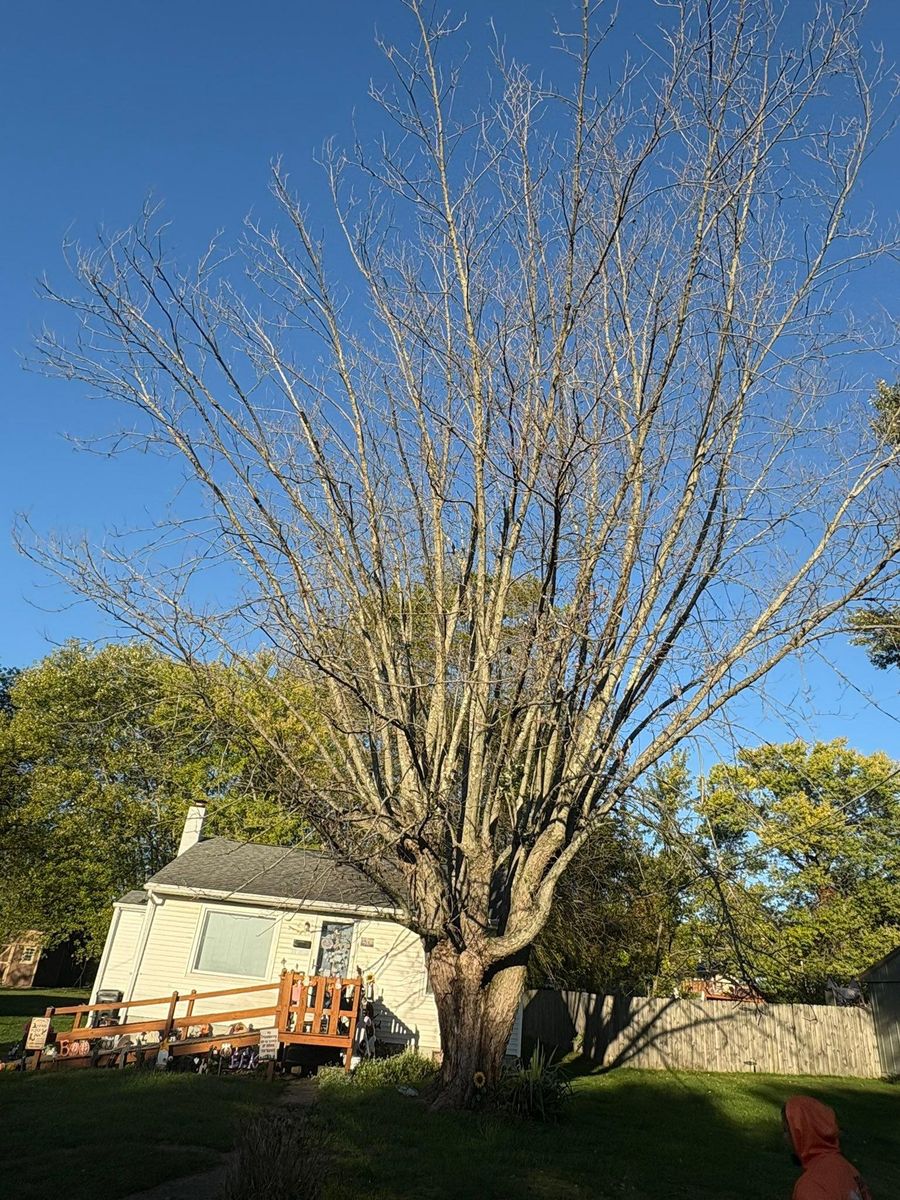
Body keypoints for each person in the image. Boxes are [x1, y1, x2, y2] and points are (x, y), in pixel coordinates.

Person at [782, 1095, 873, 1199]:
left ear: (802, 1133)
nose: (784, 1137)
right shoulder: (847, 1168)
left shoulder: (812, 1186)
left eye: (786, 1130)